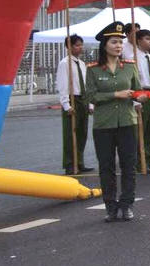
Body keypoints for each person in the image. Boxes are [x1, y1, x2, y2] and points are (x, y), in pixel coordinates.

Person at [87, 21, 140, 222]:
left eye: (120, 42)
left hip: (127, 121)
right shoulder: (93, 70)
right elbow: (90, 96)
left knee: (129, 165)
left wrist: (139, 97)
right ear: (104, 45)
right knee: (106, 166)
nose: (118, 46)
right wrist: (116, 94)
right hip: (104, 125)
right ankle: (110, 206)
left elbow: (137, 89)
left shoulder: (129, 67)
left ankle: (127, 205)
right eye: (114, 42)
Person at [56, 34, 91, 175]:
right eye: (77, 45)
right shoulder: (65, 63)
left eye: (81, 45)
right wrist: (66, 104)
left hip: (83, 99)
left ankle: (80, 161)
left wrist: (89, 103)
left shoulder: (82, 64)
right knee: (71, 133)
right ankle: (70, 163)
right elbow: (62, 84)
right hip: (72, 99)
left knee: (82, 132)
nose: (80, 48)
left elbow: (86, 84)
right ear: (68, 47)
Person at [131, 28, 150, 172]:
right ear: (138, 41)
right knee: (140, 131)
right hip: (141, 94)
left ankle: (149, 159)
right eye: (147, 39)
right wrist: (136, 101)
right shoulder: (132, 58)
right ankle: (139, 161)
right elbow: (132, 81)